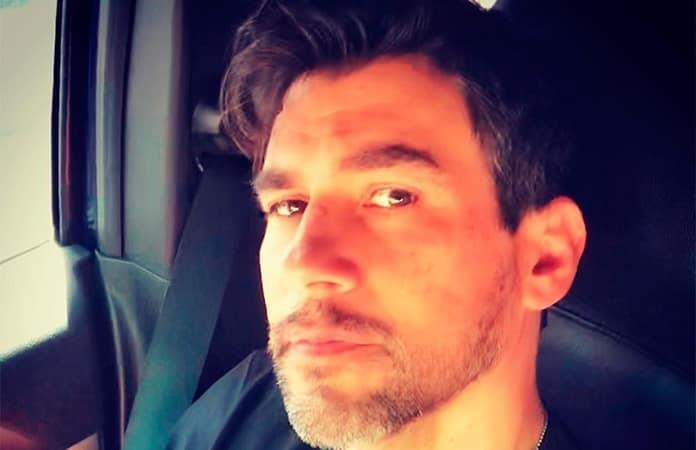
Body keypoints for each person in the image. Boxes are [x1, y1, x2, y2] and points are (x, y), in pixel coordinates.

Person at [168, 0, 587, 449]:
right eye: (289, 206)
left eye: (393, 197)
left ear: (544, 259)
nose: (304, 264)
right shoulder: (242, 405)